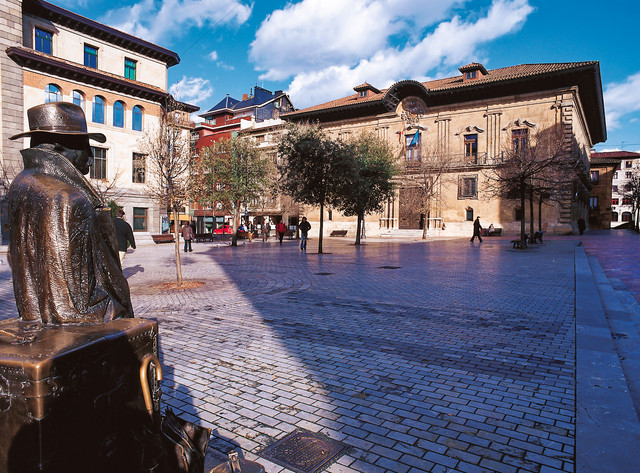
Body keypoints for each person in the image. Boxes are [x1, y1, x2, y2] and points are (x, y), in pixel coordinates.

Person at [7, 102, 133, 324]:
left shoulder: (21, 183)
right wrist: (121, 310)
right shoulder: (66, 198)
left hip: (37, 321)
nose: (91, 157)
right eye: (85, 146)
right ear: (60, 148)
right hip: (77, 335)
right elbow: (77, 306)